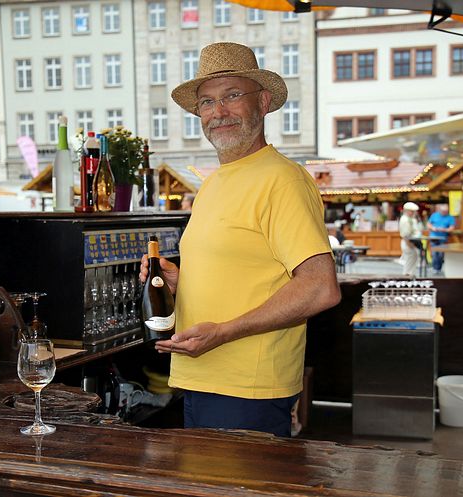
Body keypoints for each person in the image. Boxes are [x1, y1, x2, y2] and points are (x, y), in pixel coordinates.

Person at [139, 42, 340, 437]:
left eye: (232, 96)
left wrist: (225, 332)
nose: (219, 112)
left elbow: (320, 288)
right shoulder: (212, 183)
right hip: (202, 377)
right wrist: (181, 285)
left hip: (248, 388)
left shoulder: (283, 179)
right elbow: (243, 274)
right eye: (208, 102)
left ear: (263, 102)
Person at [427, 204, 455, 274]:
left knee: (440, 254)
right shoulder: (434, 215)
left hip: (443, 238)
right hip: (433, 236)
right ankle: (435, 268)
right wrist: (433, 228)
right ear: (440, 210)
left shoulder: (450, 218)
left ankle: (438, 268)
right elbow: (428, 224)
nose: (444, 212)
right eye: (443, 211)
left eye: (446, 211)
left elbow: (451, 228)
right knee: (434, 253)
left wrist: (444, 230)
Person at [398, 202, 422, 276]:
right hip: (408, 243)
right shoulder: (405, 220)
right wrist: (409, 244)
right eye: (411, 211)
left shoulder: (411, 219)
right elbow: (405, 235)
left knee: (413, 260)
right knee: (410, 261)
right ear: (406, 211)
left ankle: (411, 277)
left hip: (412, 242)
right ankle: (407, 277)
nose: (413, 213)